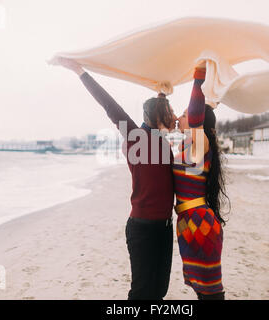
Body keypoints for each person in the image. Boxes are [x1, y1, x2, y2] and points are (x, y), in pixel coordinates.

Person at [48, 56, 177, 300]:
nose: (175, 115)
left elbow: (158, 120)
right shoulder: (135, 136)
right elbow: (108, 104)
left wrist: (161, 94)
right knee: (141, 294)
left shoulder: (162, 143)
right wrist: (80, 71)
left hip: (165, 228)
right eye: (170, 111)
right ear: (160, 115)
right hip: (143, 228)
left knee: (159, 291)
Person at [173, 66, 230, 300]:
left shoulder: (200, 143)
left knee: (210, 291)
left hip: (200, 223)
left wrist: (198, 78)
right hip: (188, 223)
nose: (180, 117)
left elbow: (197, 114)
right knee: (199, 287)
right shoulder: (186, 147)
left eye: (185, 114)